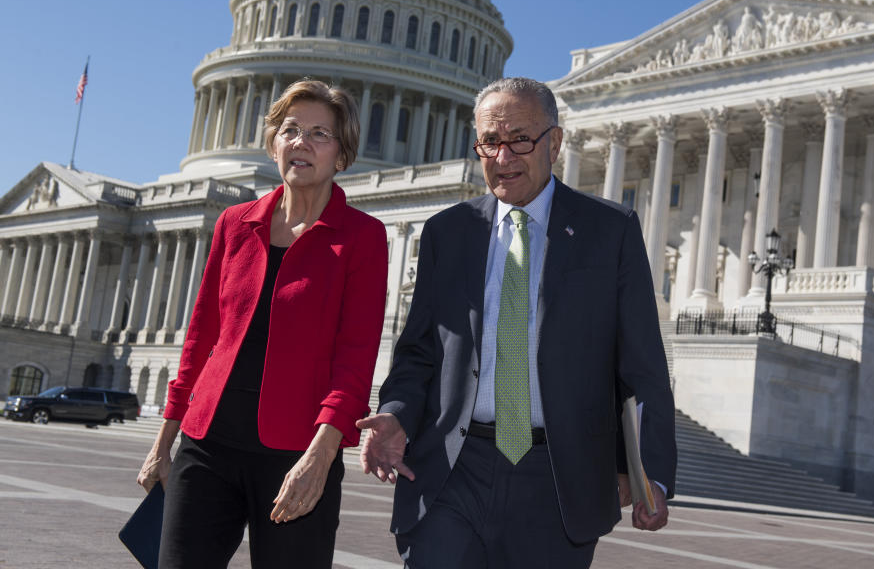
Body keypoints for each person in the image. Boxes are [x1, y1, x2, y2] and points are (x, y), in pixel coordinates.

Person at [358, 77, 676, 568]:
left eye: (520, 140)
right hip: (453, 467)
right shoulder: (449, 231)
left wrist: (648, 469)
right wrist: (396, 412)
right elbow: (420, 349)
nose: (503, 157)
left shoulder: (610, 231)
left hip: (557, 476)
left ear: (555, 142)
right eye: (490, 142)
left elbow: (641, 363)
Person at [137, 79, 388, 568]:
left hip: (296, 451)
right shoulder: (235, 222)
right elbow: (201, 336)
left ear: (342, 154)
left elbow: (355, 360)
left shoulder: (362, 237)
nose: (301, 143)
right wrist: (164, 441)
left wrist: (320, 458)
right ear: (273, 143)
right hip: (207, 444)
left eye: (320, 133)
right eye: (290, 130)